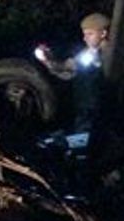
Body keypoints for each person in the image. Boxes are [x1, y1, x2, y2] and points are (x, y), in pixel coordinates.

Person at [36, 12, 111, 141]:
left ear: (103, 34)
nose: (85, 38)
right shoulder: (88, 54)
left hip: (98, 111)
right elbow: (67, 71)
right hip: (84, 109)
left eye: (90, 34)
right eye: (84, 34)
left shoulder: (113, 52)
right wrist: (47, 60)